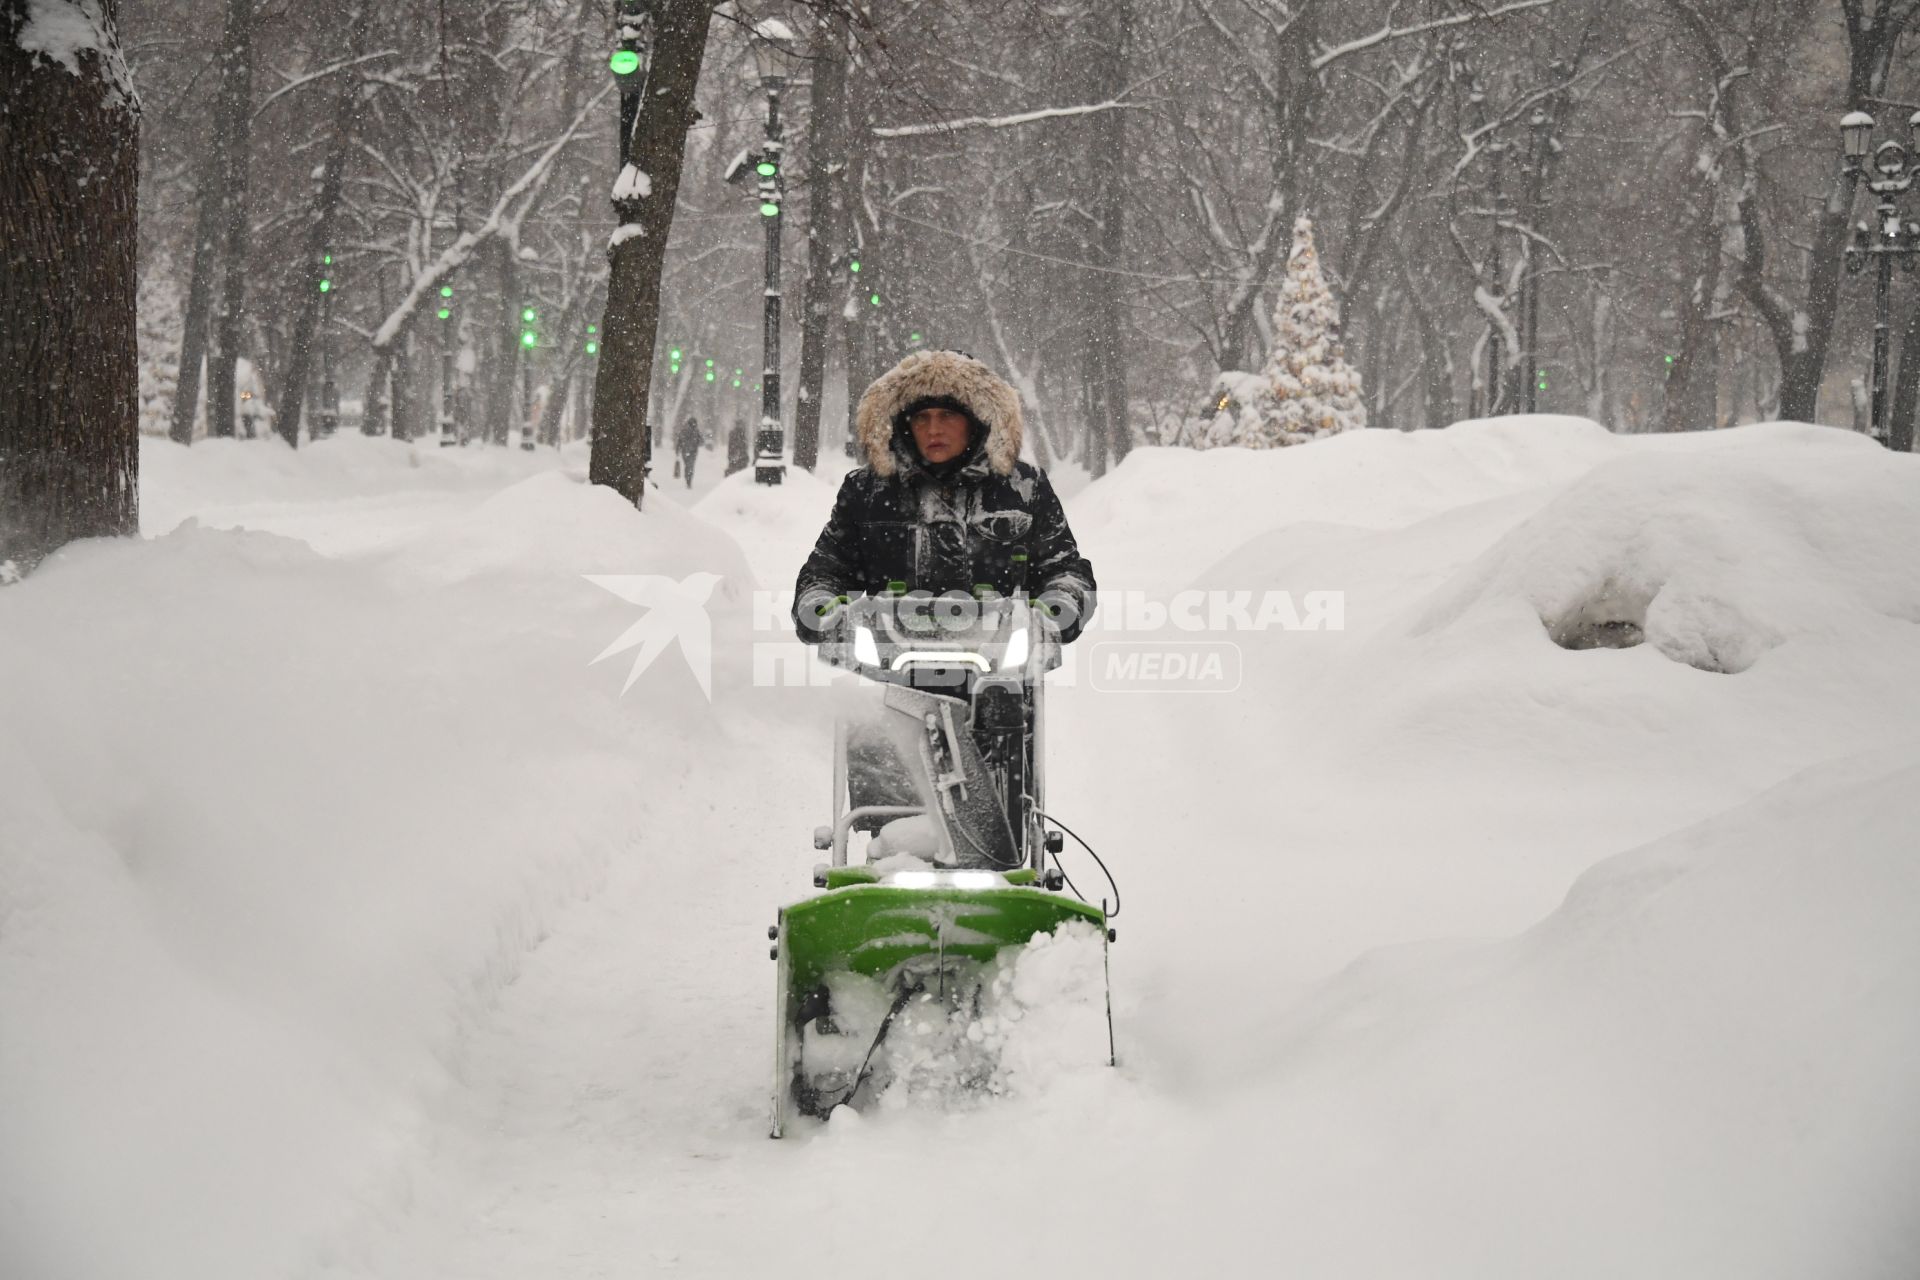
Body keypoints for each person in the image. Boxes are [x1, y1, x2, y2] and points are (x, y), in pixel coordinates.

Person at [794, 348, 1096, 642]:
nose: (933, 429)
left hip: (1002, 661)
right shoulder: (867, 490)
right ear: (904, 424)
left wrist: (1061, 602)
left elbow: (1062, 567)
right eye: (921, 417)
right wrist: (818, 601)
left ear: (976, 420)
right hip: (886, 661)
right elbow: (828, 568)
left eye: (948, 415)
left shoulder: (1022, 487)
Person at [674, 416, 701, 488]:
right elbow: (701, 441)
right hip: (692, 452)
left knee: (688, 466)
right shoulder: (696, 431)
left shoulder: (684, 430)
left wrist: (678, 450)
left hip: (686, 451)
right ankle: (688, 480)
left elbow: (679, 441)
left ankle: (688, 479)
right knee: (690, 466)